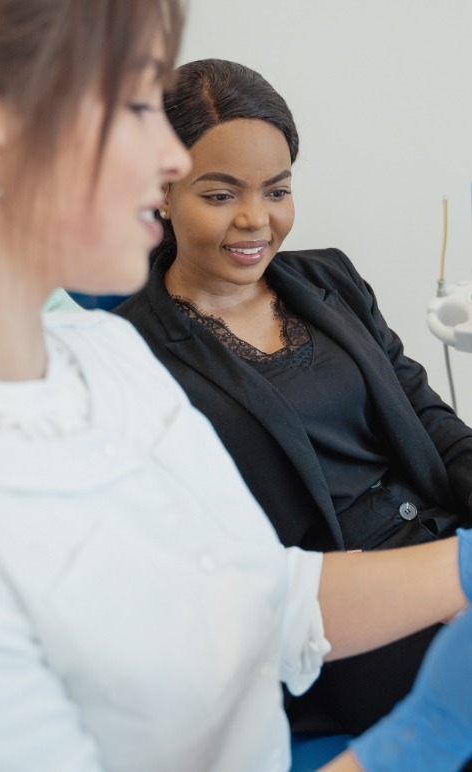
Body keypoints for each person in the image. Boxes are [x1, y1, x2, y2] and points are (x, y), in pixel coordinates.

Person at [0, 6, 471, 772]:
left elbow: (262, 599)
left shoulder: (101, 360)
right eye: (134, 105)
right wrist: (415, 744)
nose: (169, 161)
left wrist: (460, 565)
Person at [115, 57, 472, 736]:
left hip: (445, 536)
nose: (256, 220)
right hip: (348, 611)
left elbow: (425, 414)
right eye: (219, 195)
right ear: (162, 189)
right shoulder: (130, 351)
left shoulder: (328, 279)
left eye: (275, 191)